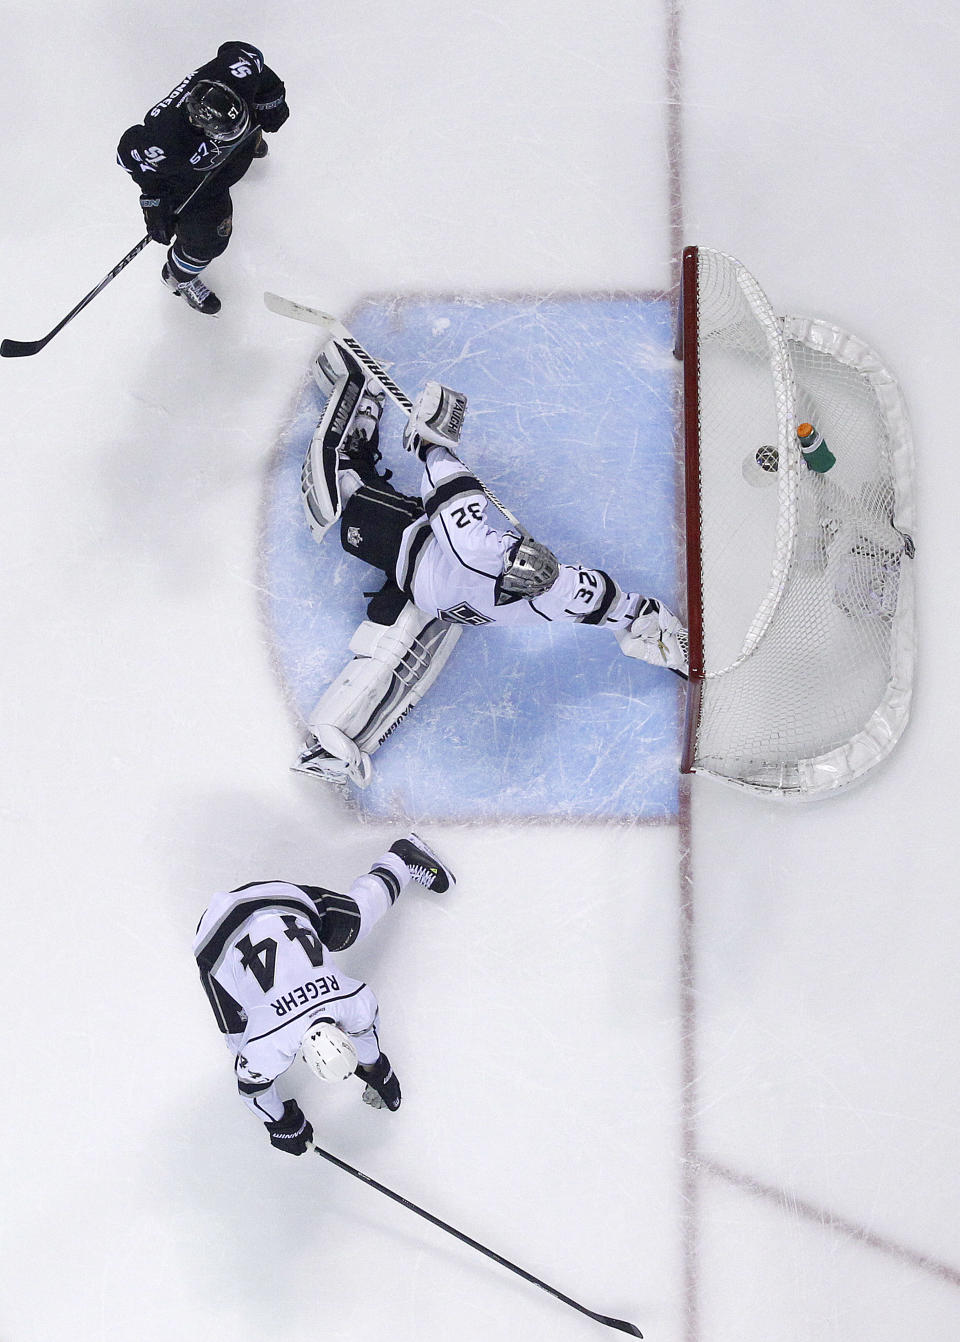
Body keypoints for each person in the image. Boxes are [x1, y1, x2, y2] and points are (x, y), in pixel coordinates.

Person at [292, 336, 690, 788]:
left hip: (408, 548)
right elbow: (602, 599)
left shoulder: (482, 553)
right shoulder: (550, 596)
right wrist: (648, 620)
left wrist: (433, 446)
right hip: (441, 604)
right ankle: (336, 747)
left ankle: (352, 429)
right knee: (397, 655)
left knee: (346, 497)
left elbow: (457, 514)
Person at [194, 833, 454, 1155]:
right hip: (232, 927)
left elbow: (254, 1087)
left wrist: (283, 1124)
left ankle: (400, 859)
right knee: (239, 1041)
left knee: (357, 918)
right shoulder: (276, 1040)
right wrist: (282, 1124)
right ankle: (400, 860)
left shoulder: (350, 1003)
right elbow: (251, 1087)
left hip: (271, 905)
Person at [117, 41, 289, 315]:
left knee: (246, 137)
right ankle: (178, 277)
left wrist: (272, 99)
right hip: (195, 185)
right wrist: (153, 202)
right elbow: (128, 156)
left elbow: (245, 53)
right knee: (209, 239)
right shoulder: (166, 139)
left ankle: (248, 143)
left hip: (225, 149)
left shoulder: (234, 74)